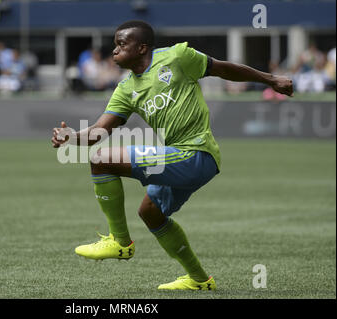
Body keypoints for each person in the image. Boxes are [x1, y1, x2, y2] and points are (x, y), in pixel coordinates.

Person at [51, 20, 293, 291]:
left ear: (142, 48)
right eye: (115, 45)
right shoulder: (126, 89)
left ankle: (120, 242)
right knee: (150, 212)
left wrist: (271, 80)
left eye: (121, 44)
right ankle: (200, 280)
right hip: (179, 156)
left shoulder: (177, 57)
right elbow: (99, 131)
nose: (115, 51)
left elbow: (224, 69)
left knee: (100, 161)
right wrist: (72, 137)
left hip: (197, 153)